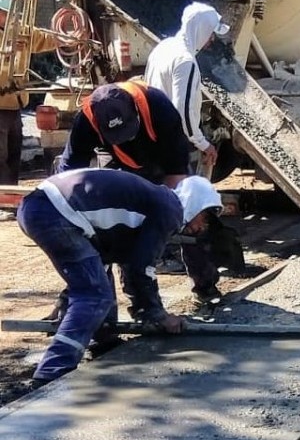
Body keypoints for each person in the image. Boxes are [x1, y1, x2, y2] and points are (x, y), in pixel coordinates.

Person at [17, 169, 223, 384]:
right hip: (55, 212)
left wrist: (143, 310)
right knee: (94, 294)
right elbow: (141, 268)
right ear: (195, 203)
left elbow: (125, 261)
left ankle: (103, 337)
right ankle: (52, 372)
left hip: (41, 207)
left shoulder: (153, 203)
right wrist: (157, 314)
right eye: (205, 217)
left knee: (98, 274)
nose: (202, 227)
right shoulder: (170, 210)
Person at [56, 81, 225, 304]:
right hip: (119, 163)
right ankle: (127, 302)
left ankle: (206, 286)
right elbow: (70, 173)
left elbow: (177, 176)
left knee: (192, 218)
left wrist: (173, 217)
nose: (127, 138)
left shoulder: (158, 107)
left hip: (161, 161)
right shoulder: (87, 119)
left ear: (135, 109)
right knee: (116, 229)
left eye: (128, 131)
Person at [144, 1, 230, 173]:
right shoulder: (186, 61)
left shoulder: (163, 47)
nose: (212, 39)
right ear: (202, 29)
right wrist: (203, 144)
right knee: (179, 195)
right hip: (173, 143)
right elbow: (182, 111)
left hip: (154, 137)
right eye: (211, 33)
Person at [0, 0, 60, 188]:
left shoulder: (21, 33)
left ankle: (10, 197)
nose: (12, 19)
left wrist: (68, 39)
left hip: (14, 106)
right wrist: (8, 49)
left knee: (13, 155)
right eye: (7, 14)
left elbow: (44, 38)